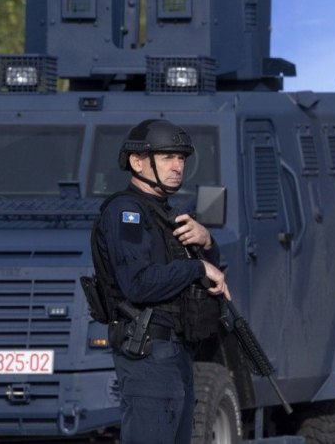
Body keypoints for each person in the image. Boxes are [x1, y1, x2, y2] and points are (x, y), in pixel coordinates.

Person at [91, 119, 229, 444]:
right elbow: (138, 283)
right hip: (148, 354)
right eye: (167, 157)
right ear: (138, 162)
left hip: (175, 353)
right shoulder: (128, 213)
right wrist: (197, 268)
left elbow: (205, 275)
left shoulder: (165, 212)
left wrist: (207, 243)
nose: (178, 166)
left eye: (181, 158)